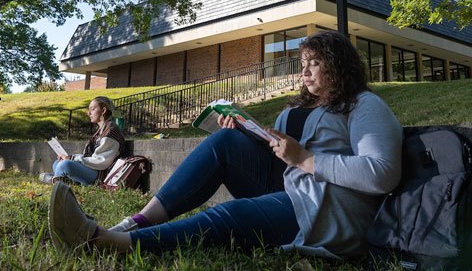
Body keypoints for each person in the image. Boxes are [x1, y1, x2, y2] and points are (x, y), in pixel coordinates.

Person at [47, 31, 403, 260]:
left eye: (315, 63)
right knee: (226, 140)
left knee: (227, 217)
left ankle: (111, 244)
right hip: (291, 185)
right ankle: (136, 222)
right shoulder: (301, 107)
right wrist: (253, 135)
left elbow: (383, 173)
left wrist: (306, 159)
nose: (304, 72)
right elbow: (283, 160)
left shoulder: (364, 104)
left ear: (338, 67)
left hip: (322, 208)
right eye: (303, 63)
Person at [39, 96, 126, 186]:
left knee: (64, 165)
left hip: (101, 174)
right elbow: (89, 157)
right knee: (57, 163)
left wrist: (72, 158)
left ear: (103, 111)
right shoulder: (99, 131)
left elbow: (101, 162)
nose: (89, 113)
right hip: (93, 169)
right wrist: (69, 157)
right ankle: (65, 181)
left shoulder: (111, 130)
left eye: (92, 109)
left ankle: (58, 180)